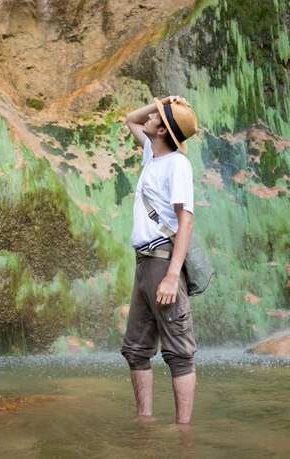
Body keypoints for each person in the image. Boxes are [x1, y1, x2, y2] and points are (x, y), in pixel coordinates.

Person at [121, 95, 199, 425]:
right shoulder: (152, 155)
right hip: (143, 263)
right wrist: (165, 102)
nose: (150, 116)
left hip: (162, 262)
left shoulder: (178, 165)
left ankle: (183, 430)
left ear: (164, 131)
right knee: (136, 349)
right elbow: (130, 119)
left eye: (158, 115)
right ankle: (145, 420)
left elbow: (187, 221)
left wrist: (171, 275)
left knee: (179, 353)